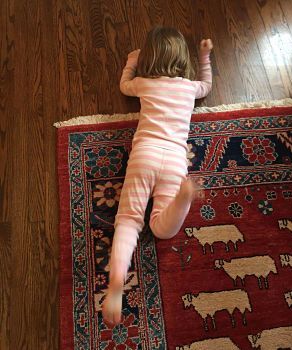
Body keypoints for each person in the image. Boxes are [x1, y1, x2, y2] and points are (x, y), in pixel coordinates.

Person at [102, 26, 213, 326]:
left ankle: (116, 283)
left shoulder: (144, 83)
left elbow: (123, 85)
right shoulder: (190, 87)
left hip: (144, 155)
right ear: (182, 58)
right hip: (176, 159)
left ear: (149, 59)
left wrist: (132, 62)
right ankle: (182, 200)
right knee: (163, 230)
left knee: (128, 220)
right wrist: (204, 56)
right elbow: (207, 85)